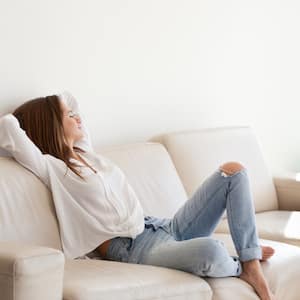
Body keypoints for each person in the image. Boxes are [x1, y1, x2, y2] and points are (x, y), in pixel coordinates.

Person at [0, 92, 275, 300]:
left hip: (159, 226)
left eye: (74, 113)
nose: (77, 117)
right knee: (212, 250)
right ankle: (243, 266)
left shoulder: (87, 153)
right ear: (51, 126)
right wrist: (40, 115)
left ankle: (248, 257)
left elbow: (71, 96)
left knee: (234, 173)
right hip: (132, 249)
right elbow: (8, 127)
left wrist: (61, 107)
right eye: (68, 115)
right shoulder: (50, 168)